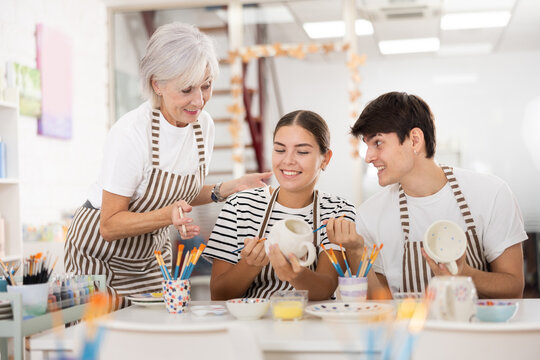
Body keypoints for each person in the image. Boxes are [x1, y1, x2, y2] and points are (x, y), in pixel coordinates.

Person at [64, 22, 271, 309]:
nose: (199, 100)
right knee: (106, 343)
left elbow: (177, 195)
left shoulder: (203, 127)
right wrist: (167, 216)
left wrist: (226, 188)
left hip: (150, 257)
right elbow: (110, 225)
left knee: (154, 334)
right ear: (157, 84)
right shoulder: (132, 134)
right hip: (100, 256)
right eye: (187, 89)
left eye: (207, 86)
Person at [326, 91, 527, 299]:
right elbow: (380, 302)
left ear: (414, 140)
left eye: (377, 143)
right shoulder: (370, 213)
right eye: (366, 146)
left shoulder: (491, 193)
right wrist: (357, 252)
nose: (368, 157)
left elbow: (513, 287)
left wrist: (465, 274)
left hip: (476, 330)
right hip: (408, 331)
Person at [203, 110, 356, 300]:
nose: (288, 160)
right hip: (251, 324)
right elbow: (218, 294)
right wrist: (249, 265)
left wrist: (295, 274)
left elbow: (325, 288)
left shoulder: (337, 212)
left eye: (302, 152)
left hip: (312, 325)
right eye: (280, 150)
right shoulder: (239, 206)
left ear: (325, 158)